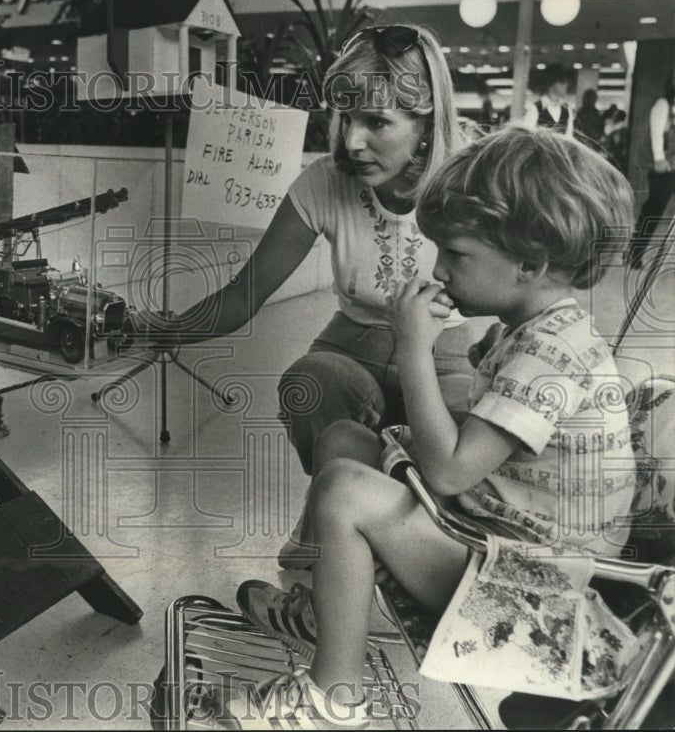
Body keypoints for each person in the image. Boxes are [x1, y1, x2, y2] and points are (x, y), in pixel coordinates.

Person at [228, 126, 637, 728]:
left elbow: (448, 471)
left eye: (457, 254)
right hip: (505, 540)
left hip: (538, 596)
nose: (439, 269)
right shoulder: (539, 331)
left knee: (343, 488)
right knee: (343, 439)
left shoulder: (550, 354)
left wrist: (413, 347)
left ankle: (332, 700)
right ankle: (329, 610)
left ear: (531, 262)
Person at [140, 24, 481, 564]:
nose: (351, 141)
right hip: (352, 345)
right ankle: (331, 523)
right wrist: (160, 330)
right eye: (345, 117)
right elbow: (243, 293)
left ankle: (417, 547)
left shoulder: (472, 180)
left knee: (468, 423)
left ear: (427, 123)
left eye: (376, 121)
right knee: (311, 382)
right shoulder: (325, 181)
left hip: (445, 353)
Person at [629, 70, 675, 269]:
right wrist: (659, 159)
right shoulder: (663, 104)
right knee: (654, 210)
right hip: (664, 164)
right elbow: (656, 133)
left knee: (655, 208)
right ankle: (634, 252)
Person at [522, 63, 574, 136]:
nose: (566, 85)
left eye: (567, 82)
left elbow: (569, 138)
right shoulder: (535, 109)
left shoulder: (567, 110)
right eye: (562, 82)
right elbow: (527, 137)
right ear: (551, 83)